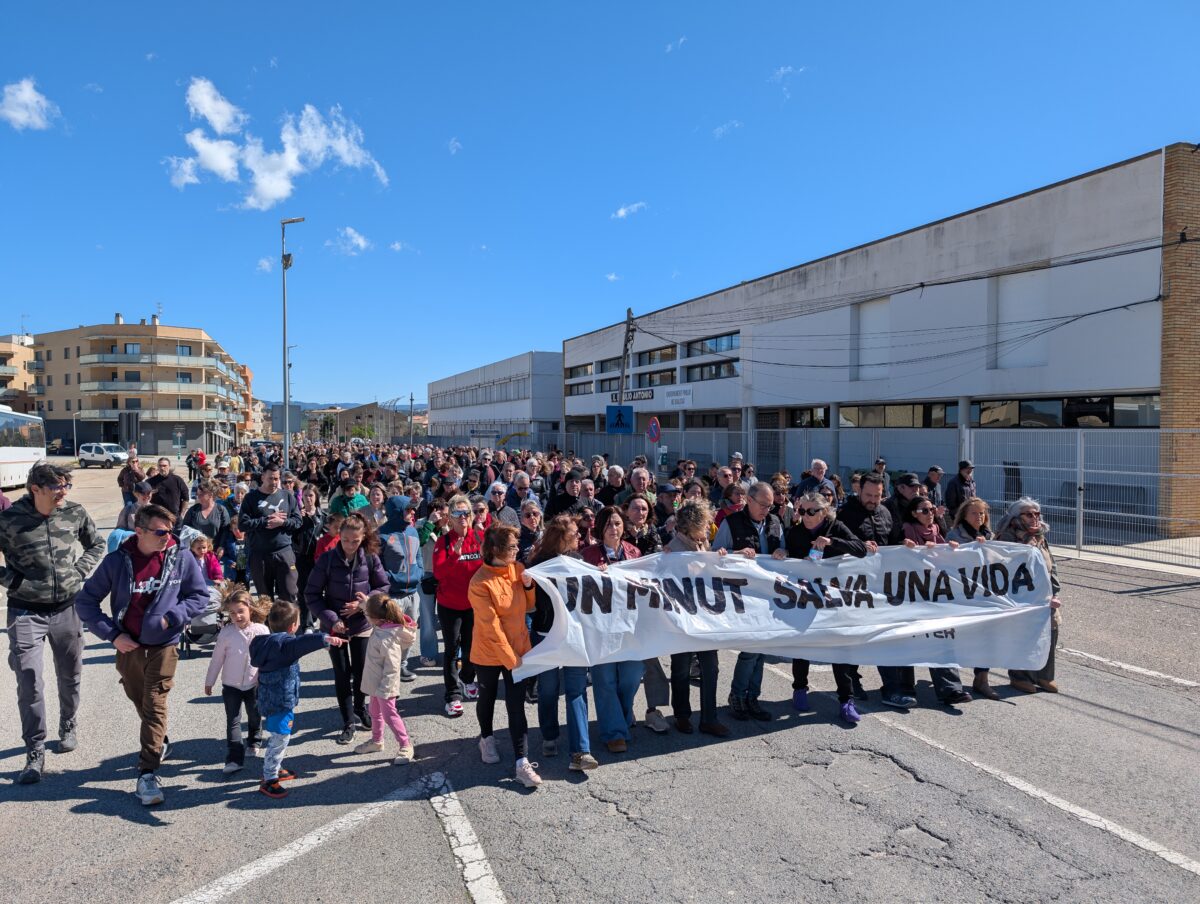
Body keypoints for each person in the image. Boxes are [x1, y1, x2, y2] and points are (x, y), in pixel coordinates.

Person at [75, 503, 210, 806]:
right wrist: (113, 635)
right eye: (161, 532)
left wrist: (173, 617)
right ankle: (160, 740)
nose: (167, 537)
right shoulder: (116, 561)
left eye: (170, 531)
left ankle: (147, 773)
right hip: (130, 646)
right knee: (140, 700)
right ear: (140, 531)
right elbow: (85, 603)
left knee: (154, 703)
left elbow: (200, 595)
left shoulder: (181, 557)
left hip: (165, 645)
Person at [1, 462, 105, 784]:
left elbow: (97, 543)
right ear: (35, 489)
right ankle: (35, 750)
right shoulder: (10, 519)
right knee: (29, 679)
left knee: (70, 674)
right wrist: (12, 582)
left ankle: (68, 723)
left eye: (66, 486)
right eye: (57, 487)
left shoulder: (74, 512)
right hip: (25, 610)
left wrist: (79, 570)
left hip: (67, 608)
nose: (63, 492)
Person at [774, 491, 868, 724]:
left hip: (834, 599)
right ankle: (799, 689)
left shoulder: (836, 527)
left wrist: (832, 542)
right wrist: (784, 554)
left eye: (811, 511)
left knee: (838, 649)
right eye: (802, 511)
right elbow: (787, 560)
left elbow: (860, 548)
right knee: (803, 646)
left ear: (824, 511)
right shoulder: (795, 532)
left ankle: (846, 700)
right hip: (805, 597)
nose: (806, 515)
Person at [306, 511, 390, 744]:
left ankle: (360, 708)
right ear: (338, 536)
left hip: (362, 624)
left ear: (363, 538)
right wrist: (333, 620)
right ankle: (347, 723)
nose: (350, 545)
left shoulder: (370, 558)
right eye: (345, 540)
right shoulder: (327, 559)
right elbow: (311, 594)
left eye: (355, 541)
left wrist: (365, 604)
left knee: (362, 672)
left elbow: (383, 586)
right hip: (336, 628)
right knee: (342, 674)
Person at [468, 524, 542, 788]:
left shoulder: (518, 570)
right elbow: (492, 627)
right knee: (486, 697)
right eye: (512, 547)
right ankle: (486, 738)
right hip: (489, 652)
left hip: (518, 649)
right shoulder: (479, 582)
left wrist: (529, 586)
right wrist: (513, 660)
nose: (517, 550)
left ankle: (522, 762)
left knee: (516, 704)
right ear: (496, 549)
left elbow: (530, 607)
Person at [250, 600, 346, 799]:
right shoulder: (286, 645)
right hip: (282, 701)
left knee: (277, 735)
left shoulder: (265, 642)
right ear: (293, 626)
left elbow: (299, 642)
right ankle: (269, 778)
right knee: (280, 739)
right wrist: (326, 638)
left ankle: (275, 767)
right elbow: (303, 643)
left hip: (269, 698)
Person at [528, 515, 598, 770]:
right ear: (561, 537)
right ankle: (549, 735)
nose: (579, 536)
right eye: (574, 533)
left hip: (574, 636)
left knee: (576, 690)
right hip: (547, 636)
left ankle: (581, 751)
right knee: (547, 690)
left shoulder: (580, 561)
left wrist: (600, 576)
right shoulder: (538, 563)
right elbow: (531, 603)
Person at [661, 500, 730, 738]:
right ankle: (682, 715)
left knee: (710, 668)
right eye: (705, 523)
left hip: (705, 617)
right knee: (681, 669)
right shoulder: (675, 548)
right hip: (682, 619)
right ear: (693, 525)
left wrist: (716, 557)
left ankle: (709, 718)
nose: (709, 527)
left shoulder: (701, 544)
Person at [716, 481, 782, 723]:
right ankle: (738, 696)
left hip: (769, 596)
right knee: (751, 650)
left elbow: (784, 553)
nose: (767, 509)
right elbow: (716, 555)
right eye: (763, 505)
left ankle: (752, 697)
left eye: (771, 505)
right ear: (749, 501)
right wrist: (737, 554)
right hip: (743, 596)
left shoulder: (775, 522)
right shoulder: (731, 523)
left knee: (761, 649)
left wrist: (782, 553)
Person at [581, 507, 645, 752]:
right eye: (608, 524)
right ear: (599, 527)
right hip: (600, 629)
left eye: (617, 523)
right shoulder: (587, 555)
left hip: (629, 627)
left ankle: (622, 715)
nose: (614, 529)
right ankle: (614, 732)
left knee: (631, 676)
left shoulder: (634, 552)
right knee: (605, 680)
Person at [996, 498, 1062, 695]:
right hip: (1021, 596)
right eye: (1029, 514)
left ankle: (1044, 675)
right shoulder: (1006, 538)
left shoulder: (1040, 536)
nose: (1034, 518)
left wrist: (1055, 591)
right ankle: (1020, 676)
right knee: (1024, 634)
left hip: (1045, 596)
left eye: (1036, 514)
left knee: (1051, 630)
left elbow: (1052, 565)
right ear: (1016, 517)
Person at [204, 587, 270, 774]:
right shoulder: (226, 633)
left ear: (250, 608)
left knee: (254, 714)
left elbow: (268, 658)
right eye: (232, 613)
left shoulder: (262, 630)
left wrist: (268, 680)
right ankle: (234, 758)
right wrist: (210, 681)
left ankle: (255, 739)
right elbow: (217, 659)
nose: (237, 616)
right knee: (232, 720)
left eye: (240, 611)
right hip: (230, 685)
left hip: (254, 684)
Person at [432, 494, 486, 717]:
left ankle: (466, 680)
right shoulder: (444, 541)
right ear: (450, 518)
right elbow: (439, 574)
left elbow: (489, 568)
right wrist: (454, 556)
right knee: (453, 650)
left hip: (474, 604)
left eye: (466, 513)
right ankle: (452, 696)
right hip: (450, 605)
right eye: (457, 514)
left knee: (473, 648)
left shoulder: (480, 537)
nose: (463, 517)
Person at [354, 593, 417, 765]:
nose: (367, 617)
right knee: (374, 712)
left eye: (368, 614)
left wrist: (385, 690)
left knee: (390, 715)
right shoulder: (382, 626)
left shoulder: (388, 638)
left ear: (376, 618)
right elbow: (372, 613)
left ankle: (406, 745)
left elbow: (392, 668)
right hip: (377, 682)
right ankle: (377, 741)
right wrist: (366, 604)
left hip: (385, 686)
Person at [946, 499, 1000, 700]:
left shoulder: (989, 536)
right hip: (962, 595)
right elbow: (949, 562)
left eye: (982, 513)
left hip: (984, 594)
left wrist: (990, 550)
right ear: (964, 515)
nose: (979, 517)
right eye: (974, 513)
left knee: (987, 636)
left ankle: (982, 679)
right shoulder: (955, 535)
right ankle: (951, 683)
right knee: (959, 638)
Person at [239, 463, 302, 602]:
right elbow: (242, 525)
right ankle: (266, 624)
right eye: (270, 479)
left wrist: (282, 522)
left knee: (290, 594)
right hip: (260, 555)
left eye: (276, 479)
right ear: (262, 477)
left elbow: (298, 522)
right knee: (265, 600)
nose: (274, 482)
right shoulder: (251, 498)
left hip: (284, 552)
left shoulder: (287, 496)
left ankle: (288, 624)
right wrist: (265, 521)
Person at [379, 495, 424, 681]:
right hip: (392, 596)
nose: (413, 512)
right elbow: (376, 566)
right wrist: (390, 579)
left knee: (408, 634)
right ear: (397, 512)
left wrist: (419, 572)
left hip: (413, 594)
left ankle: (402, 666)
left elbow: (419, 556)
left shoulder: (413, 531)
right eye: (408, 509)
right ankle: (389, 670)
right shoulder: (381, 534)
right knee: (390, 637)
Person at [292, 484, 327, 633]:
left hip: (320, 559)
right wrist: (299, 518)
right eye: (305, 495)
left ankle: (313, 616)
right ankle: (307, 624)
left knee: (318, 590)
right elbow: (292, 536)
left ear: (316, 497)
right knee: (303, 591)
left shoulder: (324, 516)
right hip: (302, 559)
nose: (308, 498)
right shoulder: (297, 516)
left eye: (311, 495)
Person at [183, 479, 231, 544]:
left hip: (215, 549)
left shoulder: (221, 510)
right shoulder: (193, 510)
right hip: (196, 550)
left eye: (201, 494)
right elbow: (185, 528)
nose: (198, 496)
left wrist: (221, 546)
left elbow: (226, 531)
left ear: (210, 495)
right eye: (197, 494)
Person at [148, 456, 190, 523]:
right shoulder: (150, 482)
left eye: (164, 466)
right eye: (160, 466)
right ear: (157, 467)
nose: (162, 468)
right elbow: (144, 498)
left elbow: (186, 498)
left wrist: (182, 514)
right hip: (157, 517)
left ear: (169, 466)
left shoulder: (177, 480)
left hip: (175, 517)